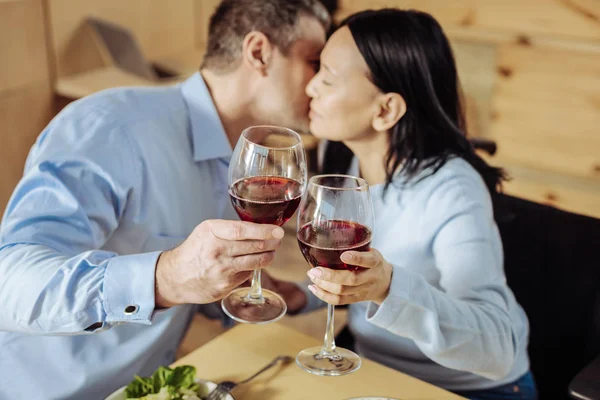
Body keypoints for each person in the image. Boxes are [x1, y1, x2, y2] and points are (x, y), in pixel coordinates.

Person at [0, 1, 329, 398]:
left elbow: (191, 286)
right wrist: (165, 276)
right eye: (315, 62)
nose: (319, 84)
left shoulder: (244, 163)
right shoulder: (109, 129)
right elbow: (9, 283)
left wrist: (263, 290)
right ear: (258, 52)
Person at [267, 8, 538, 400]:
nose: (310, 89)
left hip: (472, 389)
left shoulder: (453, 189)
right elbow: (348, 268)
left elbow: (496, 347)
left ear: (385, 111)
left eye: (327, 79)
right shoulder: (342, 157)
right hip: (376, 376)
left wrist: (388, 287)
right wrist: (300, 293)